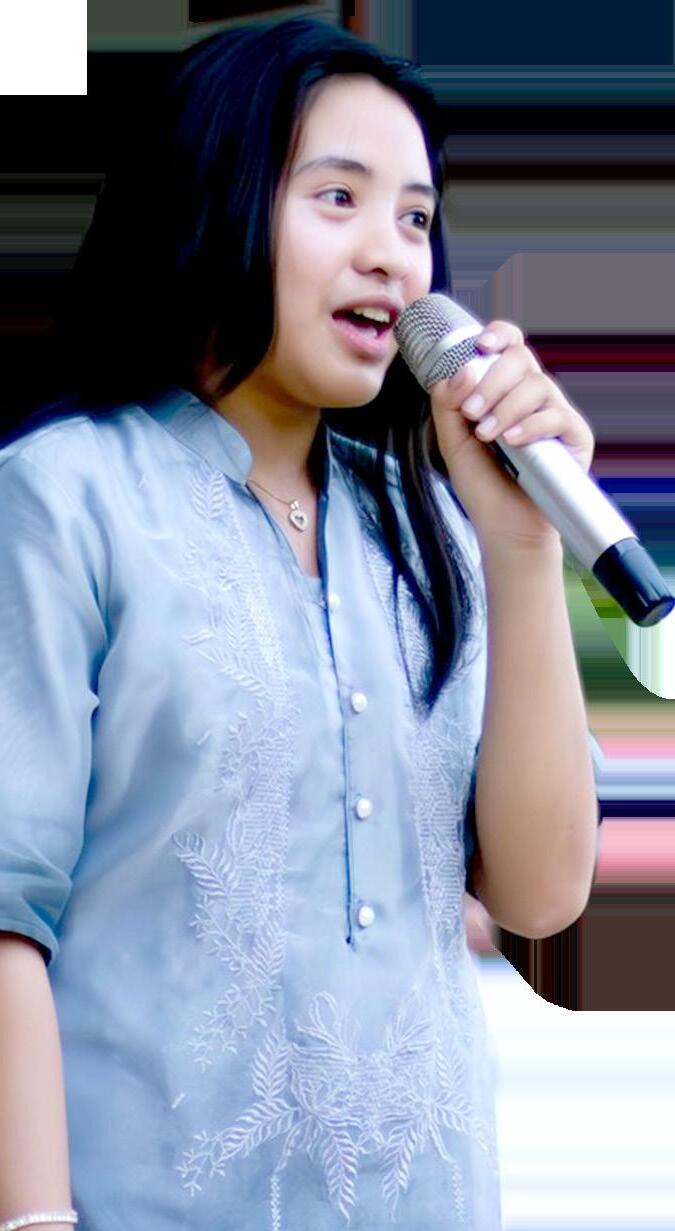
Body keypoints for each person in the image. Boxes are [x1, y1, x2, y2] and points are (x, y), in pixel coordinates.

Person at [0, 15, 603, 1231]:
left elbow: (541, 894)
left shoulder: (430, 532)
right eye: (340, 198)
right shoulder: (62, 496)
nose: (391, 254)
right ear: (210, 197)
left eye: (417, 219)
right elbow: (6, 909)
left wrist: (523, 547)